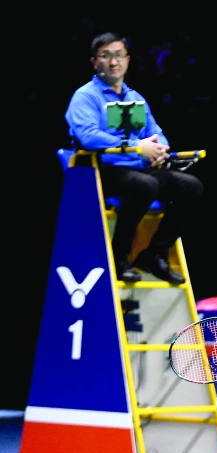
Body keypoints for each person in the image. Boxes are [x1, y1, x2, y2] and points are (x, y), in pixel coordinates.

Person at [65, 32, 202, 284]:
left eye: (118, 55)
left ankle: (153, 254)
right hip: (102, 171)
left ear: (127, 60)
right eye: (105, 56)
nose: (113, 62)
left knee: (190, 186)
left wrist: (161, 148)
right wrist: (136, 147)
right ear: (95, 62)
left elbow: (156, 133)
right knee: (144, 185)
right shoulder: (85, 97)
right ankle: (119, 259)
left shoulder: (135, 98)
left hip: (138, 170)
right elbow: (88, 136)